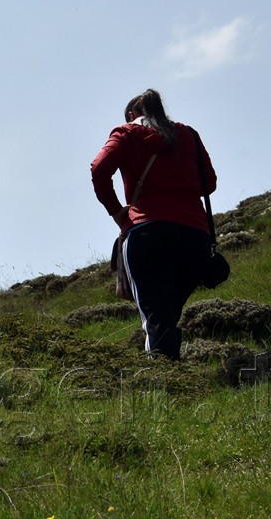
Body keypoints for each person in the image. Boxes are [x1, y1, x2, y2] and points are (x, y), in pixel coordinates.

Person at [91, 89, 217, 361]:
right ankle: (173, 368)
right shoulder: (189, 135)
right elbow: (210, 183)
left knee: (156, 317)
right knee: (167, 313)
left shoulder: (126, 133)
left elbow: (99, 170)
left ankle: (165, 385)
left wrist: (117, 212)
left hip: (148, 233)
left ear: (131, 115)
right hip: (195, 237)